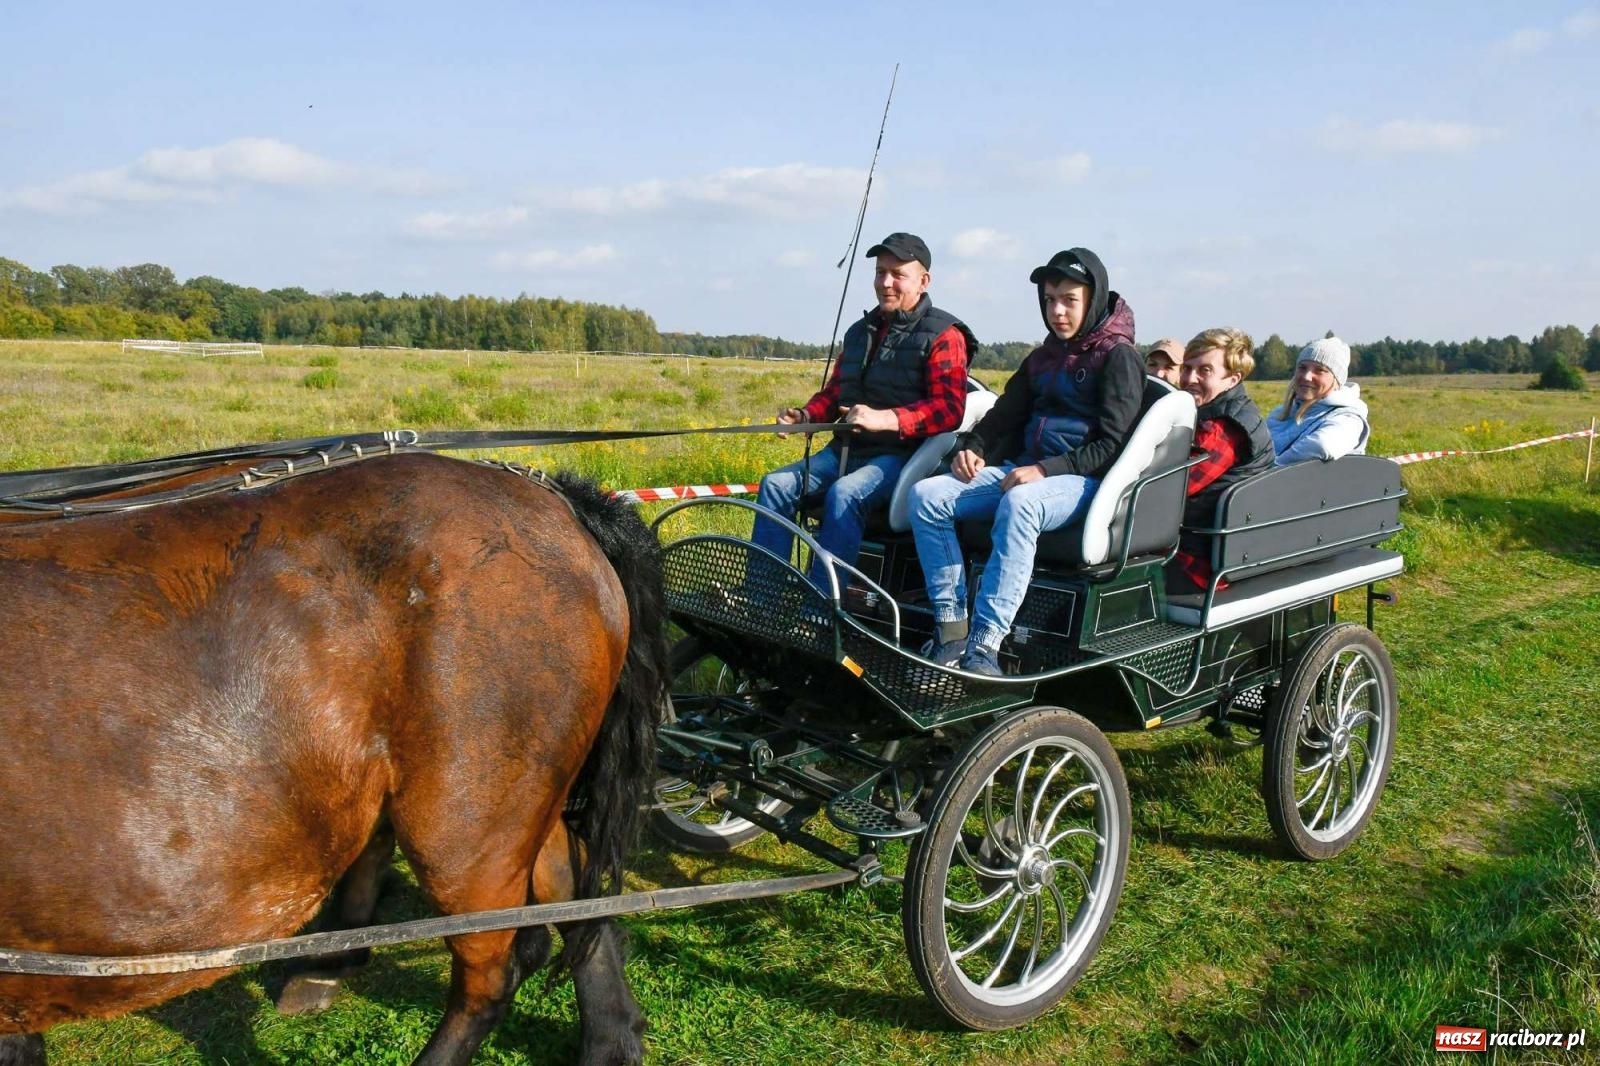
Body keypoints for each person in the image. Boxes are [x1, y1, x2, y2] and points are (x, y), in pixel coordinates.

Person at [910, 248, 1144, 676]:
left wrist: (1044, 470)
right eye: (1050, 299)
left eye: (1069, 300)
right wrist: (974, 445)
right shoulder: (1043, 356)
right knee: (928, 495)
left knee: (1021, 503)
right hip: (1026, 470)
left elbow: (1112, 444)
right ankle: (951, 629)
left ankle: (986, 646)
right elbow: (1006, 413)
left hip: (1083, 480)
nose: (1057, 311)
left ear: (1093, 299)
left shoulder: (1118, 357)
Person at [751, 232, 975, 579]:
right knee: (775, 484)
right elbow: (838, 392)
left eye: (898, 274)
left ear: (923, 280)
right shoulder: (860, 332)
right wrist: (805, 416)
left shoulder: (945, 335)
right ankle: (762, 600)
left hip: (900, 457)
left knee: (845, 493)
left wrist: (886, 419)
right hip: (844, 449)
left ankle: (822, 611)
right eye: (880, 272)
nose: (886, 283)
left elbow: (949, 410)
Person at [1170, 327, 1275, 590]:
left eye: (1204, 370)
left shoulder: (1225, 428)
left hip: (1198, 561)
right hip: (1181, 542)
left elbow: (1171, 484)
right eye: (1186, 368)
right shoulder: (1204, 412)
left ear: (1232, 379)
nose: (1189, 378)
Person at [1267, 336, 1371, 463]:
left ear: (1336, 380)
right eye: (1302, 367)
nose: (1307, 376)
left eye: (1320, 370)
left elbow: (1322, 445)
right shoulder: (1279, 414)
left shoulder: (1348, 420)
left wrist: (1268, 471)